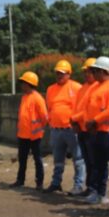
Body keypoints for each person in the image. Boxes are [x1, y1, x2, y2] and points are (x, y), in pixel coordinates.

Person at [43, 59, 84, 194]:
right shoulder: (50, 89)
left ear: (69, 74)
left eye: (62, 73)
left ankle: (78, 185)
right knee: (58, 160)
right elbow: (50, 107)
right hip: (56, 130)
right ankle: (56, 183)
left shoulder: (77, 87)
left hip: (71, 129)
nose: (59, 75)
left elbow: (82, 108)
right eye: (57, 73)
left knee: (78, 159)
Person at [84, 56, 109, 205]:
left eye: (95, 70)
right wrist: (88, 124)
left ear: (105, 71)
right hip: (96, 132)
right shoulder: (96, 87)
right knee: (98, 164)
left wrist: (94, 121)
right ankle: (99, 193)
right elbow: (89, 108)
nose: (93, 74)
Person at [10, 72, 48, 190]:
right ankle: (20, 180)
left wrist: (39, 129)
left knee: (37, 159)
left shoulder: (37, 98)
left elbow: (44, 117)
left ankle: (39, 182)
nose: (22, 85)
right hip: (23, 134)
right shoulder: (24, 97)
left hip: (34, 135)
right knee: (22, 159)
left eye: (24, 83)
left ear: (30, 84)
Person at [71, 57, 99, 196]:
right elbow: (77, 107)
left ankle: (95, 189)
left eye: (90, 71)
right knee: (88, 161)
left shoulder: (97, 88)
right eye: (85, 72)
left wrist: (74, 119)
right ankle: (90, 187)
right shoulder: (82, 88)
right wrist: (75, 122)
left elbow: (88, 110)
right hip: (81, 129)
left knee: (94, 161)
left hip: (92, 130)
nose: (87, 74)